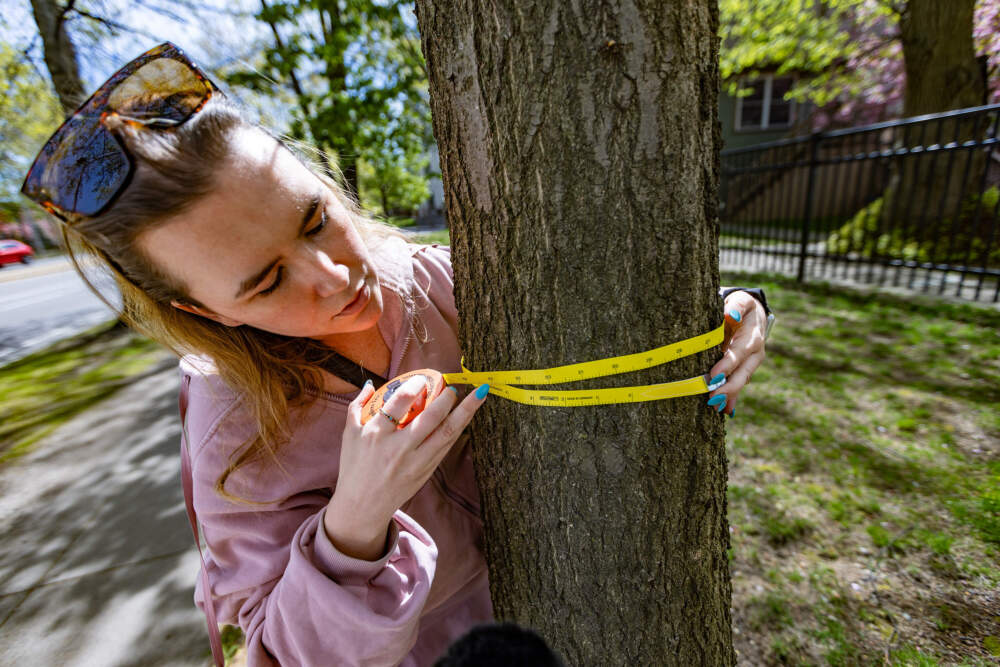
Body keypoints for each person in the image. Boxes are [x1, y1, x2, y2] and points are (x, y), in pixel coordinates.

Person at [22, 43, 770, 666]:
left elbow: (593, 320)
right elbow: (269, 647)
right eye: (267, 281)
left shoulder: (438, 277)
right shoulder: (235, 433)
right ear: (203, 311)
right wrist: (355, 519)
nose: (334, 276)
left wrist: (725, 316)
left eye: (314, 217)